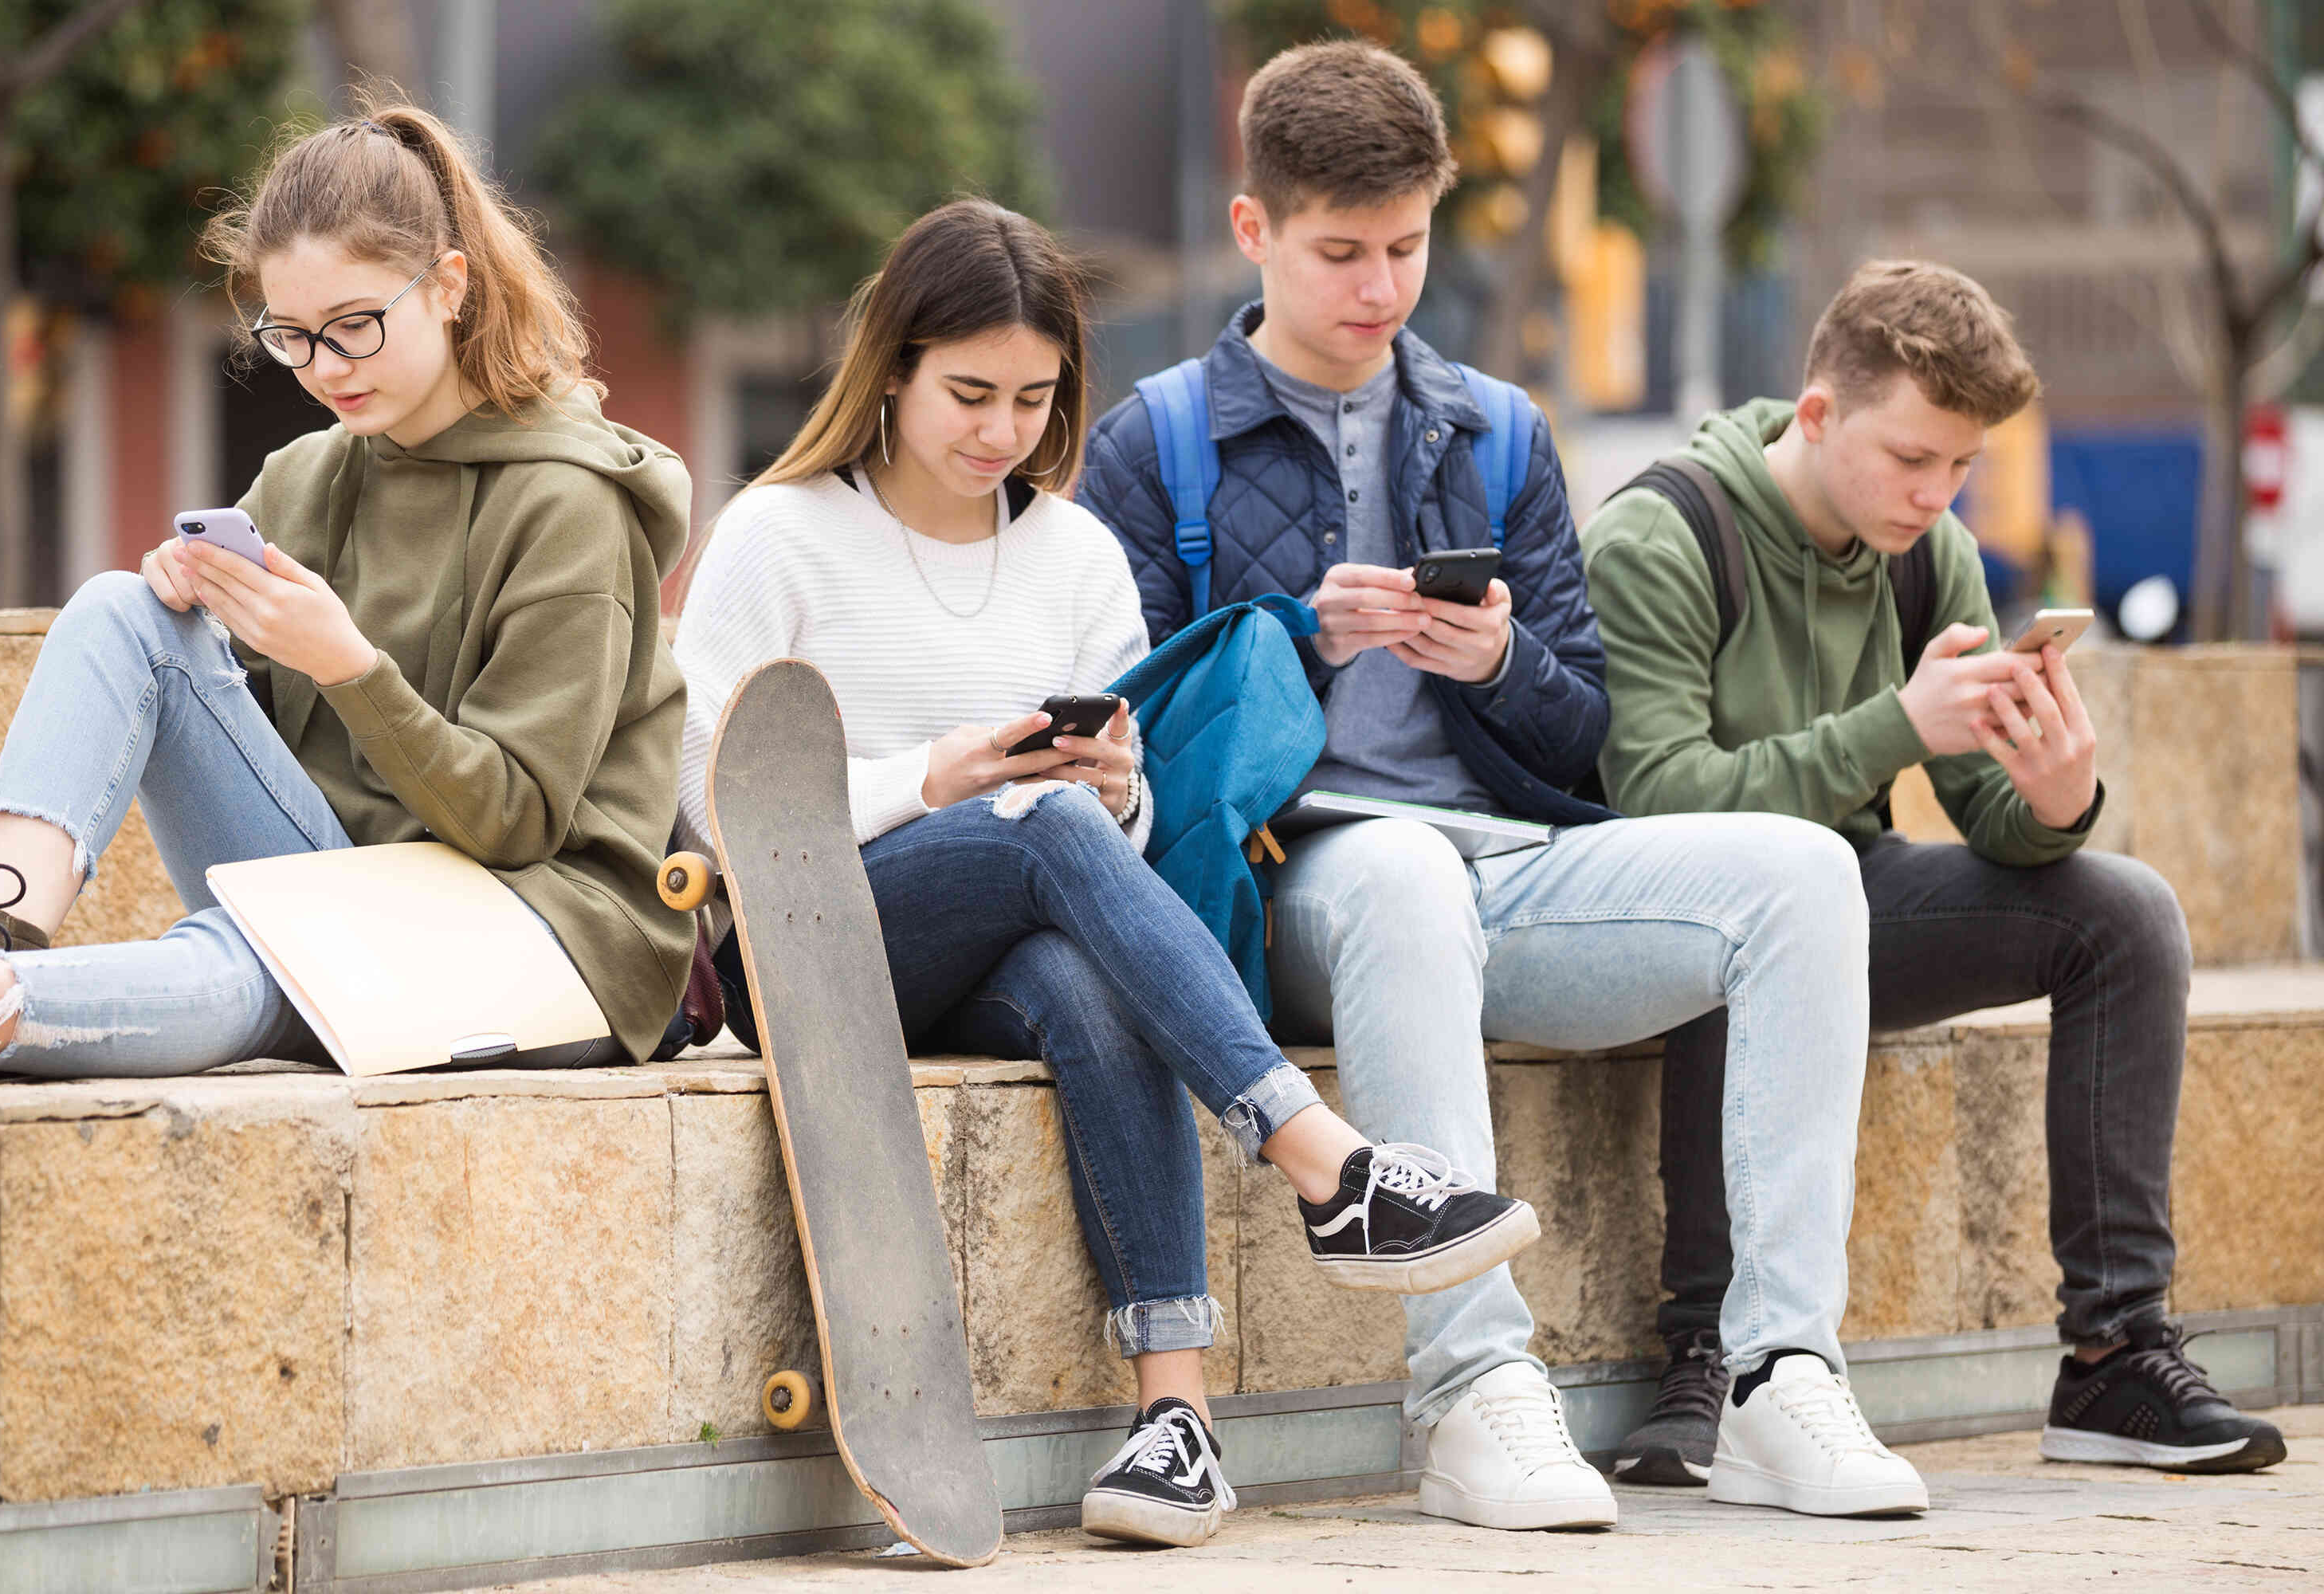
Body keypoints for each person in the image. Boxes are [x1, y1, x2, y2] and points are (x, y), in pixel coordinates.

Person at [1082, 41, 1926, 1526]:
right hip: (1292, 881)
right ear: (1251, 230)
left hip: (1502, 865)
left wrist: (1492, 665)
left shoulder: (1497, 431)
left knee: (1800, 871)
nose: (1379, 288)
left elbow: (1583, 738)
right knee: (1398, 873)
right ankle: (1470, 1389)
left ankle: (1775, 1374)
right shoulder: (1149, 445)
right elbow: (1119, 739)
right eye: (1339, 251)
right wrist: (1298, 641)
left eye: (1405, 246)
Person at [673, 198, 1533, 1551]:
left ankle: (1171, 1421)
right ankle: (1326, 1164)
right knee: (1037, 831)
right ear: (889, 368)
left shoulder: (1070, 553)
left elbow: (1106, 852)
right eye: (965, 393)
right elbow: (711, 807)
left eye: (1030, 397)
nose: (998, 430)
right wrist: (935, 780)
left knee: (1079, 967)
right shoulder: (776, 535)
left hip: (998, 933)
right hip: (817, 944)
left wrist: (1117, 790)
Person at [1582, 258, 2287, 1481]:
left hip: (1848, 891)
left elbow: (1984, 815)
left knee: (2125, 911)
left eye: (1959, 464)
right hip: (1655, 913)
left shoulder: (1926, 554)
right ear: (1815, 414)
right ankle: (1705, 1353)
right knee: (1761, 898)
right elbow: (1655, 804)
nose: (1936, 493)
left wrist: (2055, 800)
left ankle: (2112, 1358)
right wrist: (1895, 726)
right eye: (1910, 459)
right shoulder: (1661, 534)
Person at [0, 100, 693, 1082]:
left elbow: (519, 820)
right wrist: (198, 617)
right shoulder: (304, 479)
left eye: (355, 326)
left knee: (266, 966)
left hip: (547, 933)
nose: (325, 367)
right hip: (357, 890)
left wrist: (346, 664)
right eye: (290, 334)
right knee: (128, 609)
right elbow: (216, 720)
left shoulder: (570, 502)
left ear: (448, 286)